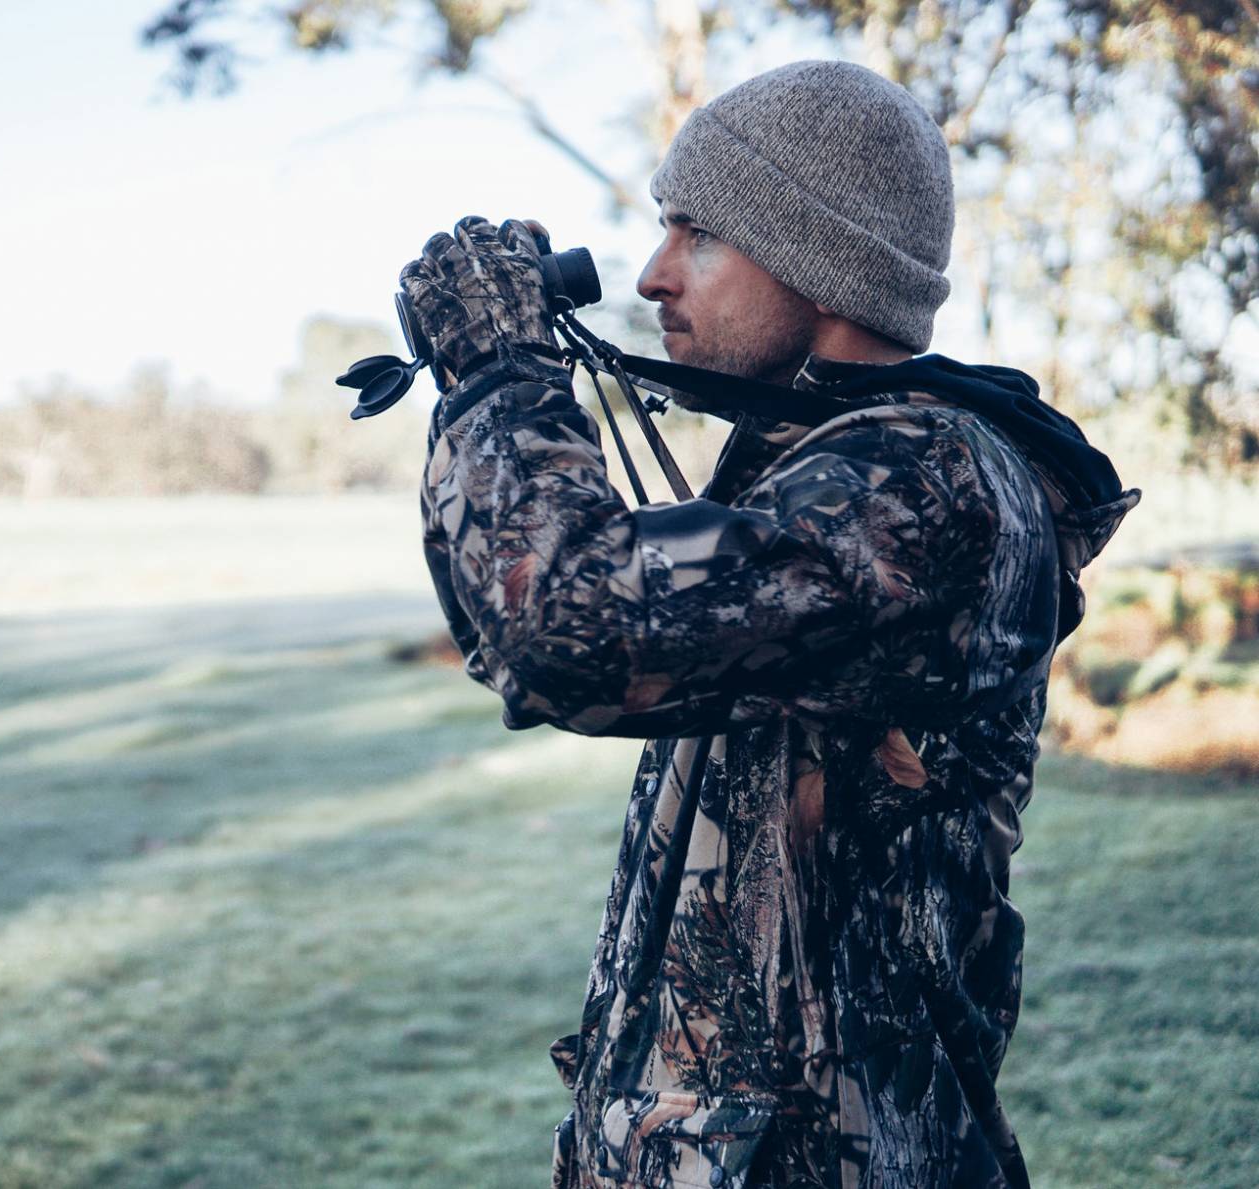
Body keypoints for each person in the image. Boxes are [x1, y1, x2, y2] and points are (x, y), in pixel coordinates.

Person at [398, 60, 1139, 1188]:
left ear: (821, 260)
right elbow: (521, 634)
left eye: (695, 234)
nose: (649, 276)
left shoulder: (921, 482)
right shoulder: (819, 467)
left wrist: (499, 369)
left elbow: (568, 629)